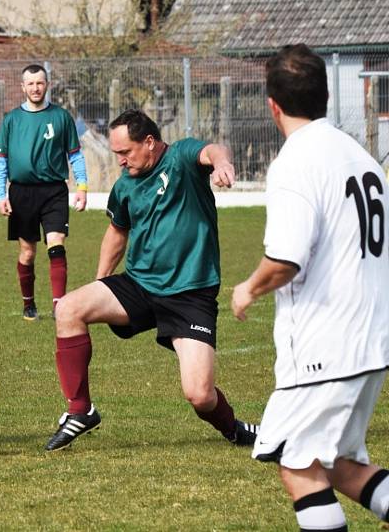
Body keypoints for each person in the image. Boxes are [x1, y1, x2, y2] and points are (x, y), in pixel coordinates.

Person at [232, 44, 389, 530]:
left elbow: (286, 259)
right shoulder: (359, 155)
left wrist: (249, 288)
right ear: (324, 95)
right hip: (370, 338)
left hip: (327, 343)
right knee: (337, 463)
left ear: (272, 104)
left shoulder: (297, 161)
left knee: (298, 465)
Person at [44, 108, 258, 452]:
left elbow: (213, 150)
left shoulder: (182, 159)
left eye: (125, 152)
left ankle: (235, 430)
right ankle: (81, 410)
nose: (121, 162)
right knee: (68, 309)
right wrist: (101, 284)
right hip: (140, 285)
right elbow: (117, 234)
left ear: (149, 142)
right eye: (117, 154)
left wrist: (221, 164)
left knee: (200, 395)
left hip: (190, 295)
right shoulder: (124, 186)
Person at [0, 63, 88, 321]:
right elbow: (1, 161)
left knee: (56, 245)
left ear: (47, 85)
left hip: (55, 191)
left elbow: (75, 156)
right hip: (21, 194)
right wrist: (0, 195)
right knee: (28, 252)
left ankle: (59, 306)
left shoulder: (61, 117)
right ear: (23, 87)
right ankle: (29, 304)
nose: (35, 88)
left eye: (40, 83)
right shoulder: (12, 120)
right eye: (30, 84)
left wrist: (82, 187)